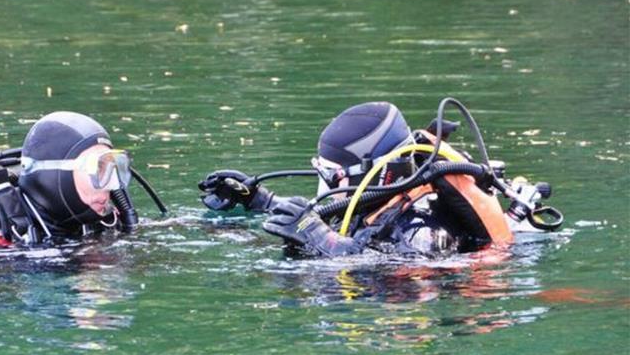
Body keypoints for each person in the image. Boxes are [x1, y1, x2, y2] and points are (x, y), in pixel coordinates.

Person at [198, 100, 562, 258]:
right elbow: (340, 216)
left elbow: (379, 271)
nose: (326, 188)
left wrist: (320, 239)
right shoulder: (380, 203)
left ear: (379, 172)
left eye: (333, 176)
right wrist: (260, 200)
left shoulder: (421, 229)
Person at [0, 111, 166, 251]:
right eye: (96, 171)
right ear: (56, 176)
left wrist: (207, 219)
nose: (110, 185)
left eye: (113, 169)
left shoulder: (103, 218)